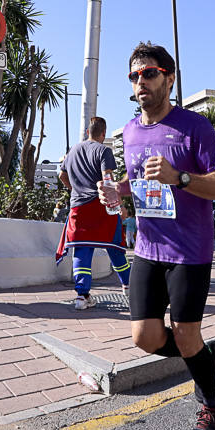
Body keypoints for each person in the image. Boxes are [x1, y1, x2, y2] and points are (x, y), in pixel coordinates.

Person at [100, 42, 215, 430]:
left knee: (184, 333)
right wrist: (118, 192)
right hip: (146, 247)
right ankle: (205, 357)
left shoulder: (194, 127)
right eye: (134, 76)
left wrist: (180, 178)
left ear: (169, 78)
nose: (140, 81)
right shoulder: (129, 131)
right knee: (144, 337)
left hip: (189, 252)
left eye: (149, 73)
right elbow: (139, 182)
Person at [55, 117, 132, 309]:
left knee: (82, 250)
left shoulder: (72, 151)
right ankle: (129, 287)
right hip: (101, 207)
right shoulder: (104, 150)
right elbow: (108, 180)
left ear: (87, 132)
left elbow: (61, 175)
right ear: (103, 133)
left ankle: (82, 297)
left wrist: (75, 189)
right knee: (115, 248)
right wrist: (119, 205)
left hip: (78, 208)